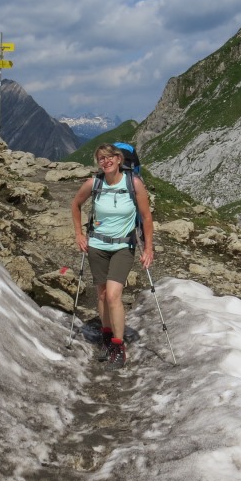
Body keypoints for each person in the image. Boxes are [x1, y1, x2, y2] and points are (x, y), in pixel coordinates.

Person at [70, 143, 154, 368]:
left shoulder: (133, 183)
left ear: (119, 160)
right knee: (102, 294)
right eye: (101, 158)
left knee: (113, 295)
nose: (105, 162)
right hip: (97, 246)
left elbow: (146, 217)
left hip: (123, 247)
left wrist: (148, 248)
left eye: (109, 158)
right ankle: (107, 338)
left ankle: (118, 347)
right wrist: (79, 234)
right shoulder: (94, 183)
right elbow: (76, 204)